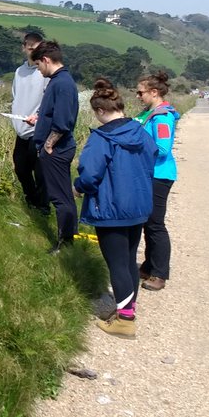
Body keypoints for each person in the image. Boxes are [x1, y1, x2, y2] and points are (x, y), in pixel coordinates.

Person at [74, 78, 157, 338]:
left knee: (117, 264)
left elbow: (89, 175)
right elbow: (153, 157)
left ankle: (125, 321)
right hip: (138, 206)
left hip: (111, 209)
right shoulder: (141, 131)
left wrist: (77, 187)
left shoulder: (102, 138)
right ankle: (128, 308)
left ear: (100, 110)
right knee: (129, 260)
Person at [27, 40, 79, 253]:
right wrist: (39, 119)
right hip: (56, 147)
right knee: (63, 195)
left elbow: (63, 121)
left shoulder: (62, 83)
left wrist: (48, 144)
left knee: (60, 198)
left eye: (38, 65)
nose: (39, 71)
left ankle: (65, 242)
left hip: (57, 149)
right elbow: (53, 114)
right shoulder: (59, 81)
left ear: (46, 60)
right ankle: (68, 237)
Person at [135, 71, 179, 292]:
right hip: (149, 174)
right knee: (148, 223)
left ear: (154, 92)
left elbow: (162, 149)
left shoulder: (162, 117)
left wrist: (135, 147)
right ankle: (148, 266)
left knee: (155, 225)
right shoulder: (149, 113)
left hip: (159, 175)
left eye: (140, 92)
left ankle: (160, 273)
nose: (137, 96)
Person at [10, 32, 49, 212]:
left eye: (37, 47)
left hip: (37, 130)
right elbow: (15, 96)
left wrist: (40, 116)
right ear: (24, 48)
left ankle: (43, 206)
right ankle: (31, 199)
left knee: (40, 171)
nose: (33, 50)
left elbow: (49, 101)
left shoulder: (45, 73)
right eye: (30, 47)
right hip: (20, 129)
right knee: (20, 168)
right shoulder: (19, 72)